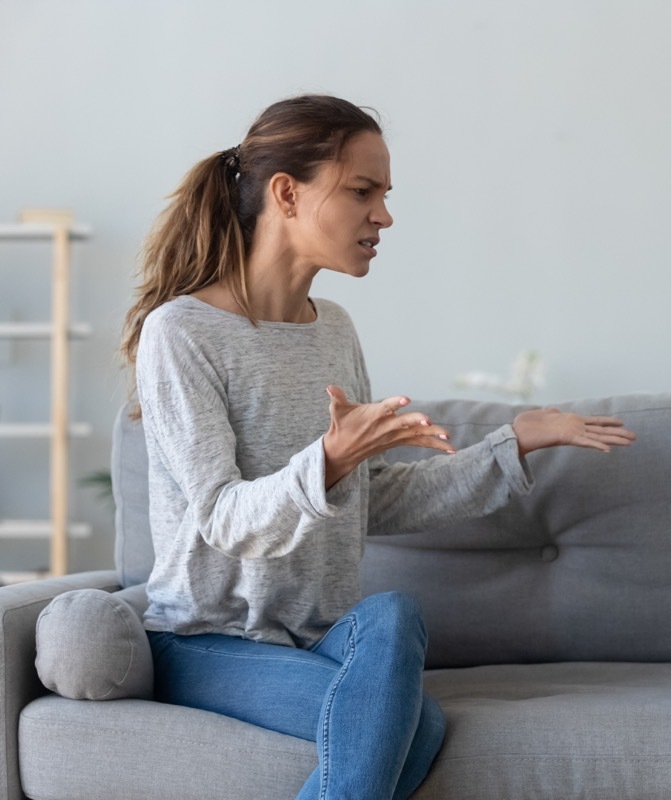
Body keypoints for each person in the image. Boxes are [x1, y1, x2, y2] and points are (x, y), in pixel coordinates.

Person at [119, 94, 635, 800]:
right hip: (207, 641)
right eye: (363, 191)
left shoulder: (333, 329)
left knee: (395, 613)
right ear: (286, 193)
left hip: (318, 642)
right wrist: (328, 460)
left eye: (384, 195)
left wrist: (510, 446)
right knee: (414, 726)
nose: (384, 216)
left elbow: (372, 500)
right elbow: (223, 517)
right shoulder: (181, 333)